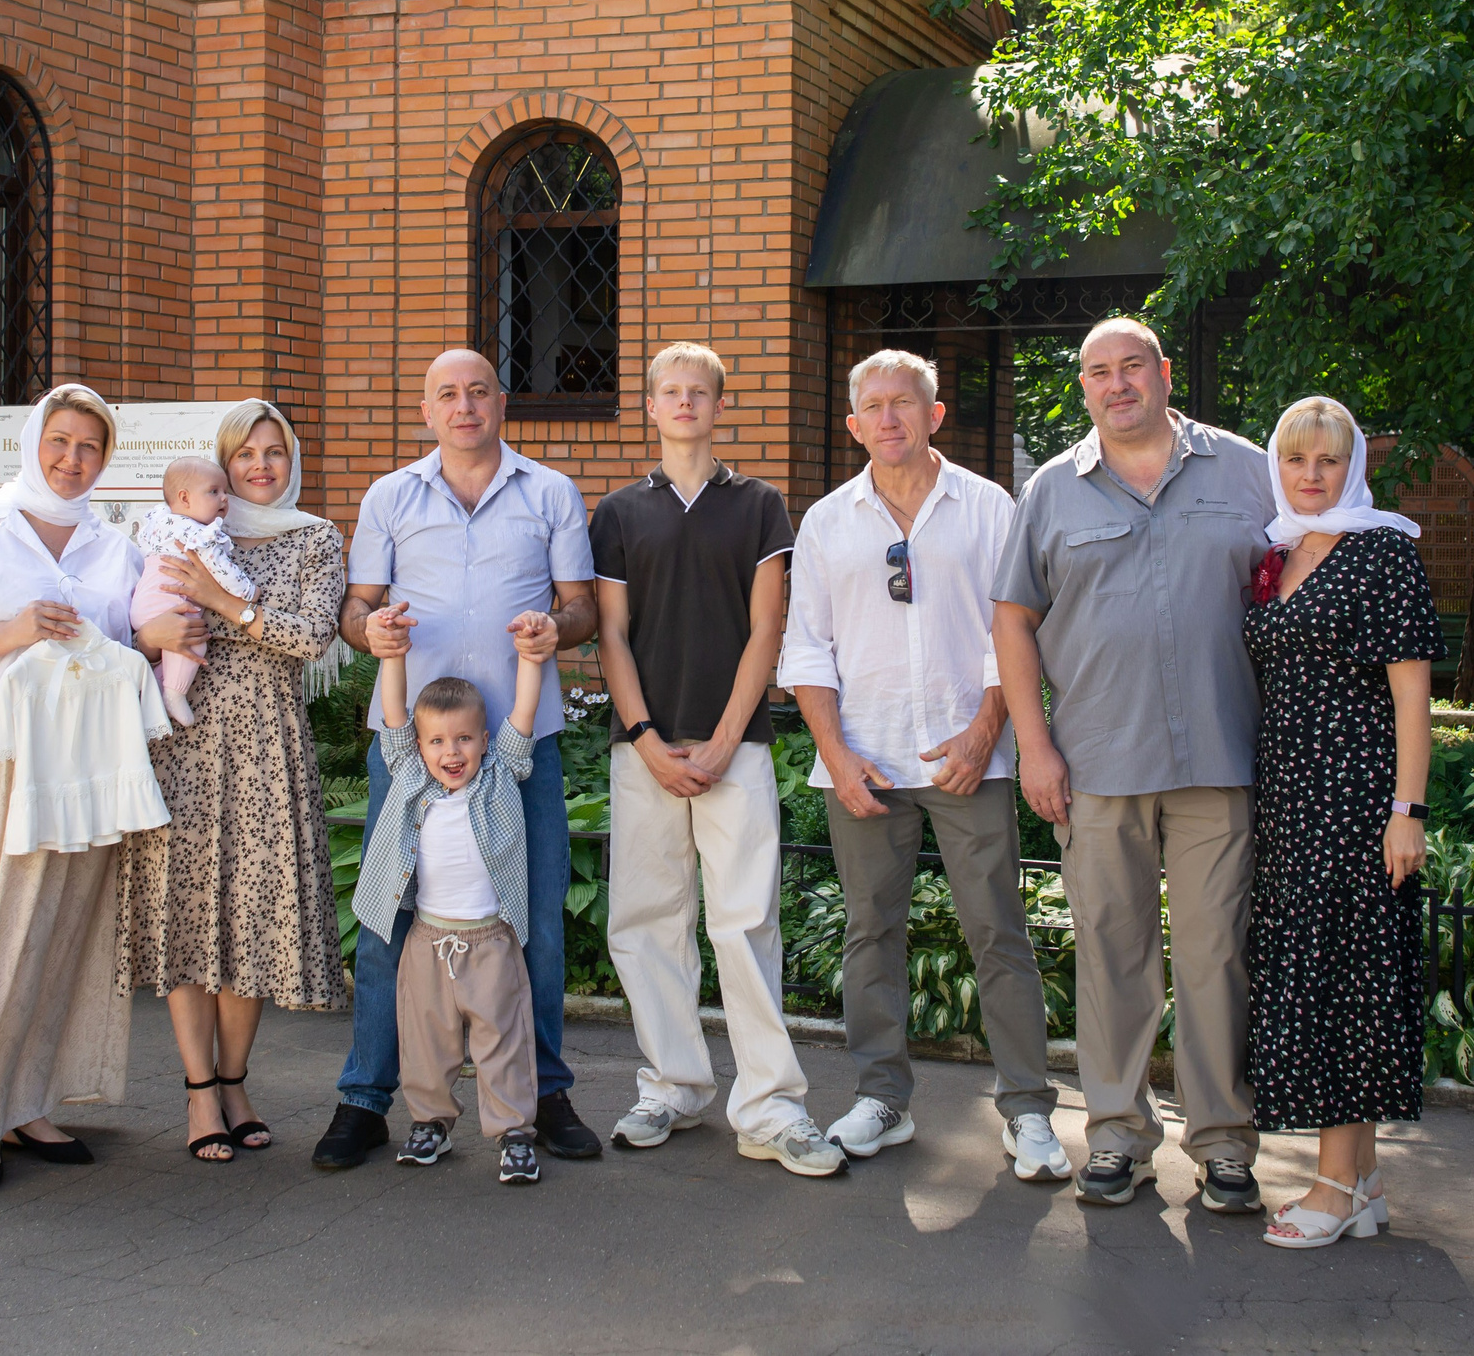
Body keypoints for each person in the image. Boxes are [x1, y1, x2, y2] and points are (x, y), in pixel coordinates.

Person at [991, 317, 1275, 1212]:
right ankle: (1116, 1134)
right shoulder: (1050, 492)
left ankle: (1225, 1142)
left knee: (1214, 954)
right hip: (1098, 763)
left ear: (1161, 375)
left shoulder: (1247, 471)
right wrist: (1033, 745)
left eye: (1132, 367)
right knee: (1112, 954)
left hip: (1220, 756)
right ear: (1084, 387)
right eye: (1097, 372)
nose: (1117, 385)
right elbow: (1012, 619)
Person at [311, 349, 604, 1169]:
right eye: (448, 393)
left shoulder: (549, 492)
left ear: (501, 403)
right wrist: (366, 630)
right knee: (386, 917)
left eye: (478, 391)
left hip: (518, 745)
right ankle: (366, 1098)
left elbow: (578, 603)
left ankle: (542, 1092)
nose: (464, 404)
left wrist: (560, 629)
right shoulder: (389, 496)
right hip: (410, 747)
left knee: (534, 923)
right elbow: (357, 604)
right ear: (427, 407)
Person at [782, 349, 1069, 1182]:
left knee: (998, 933)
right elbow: (808, 649)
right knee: (871, 933)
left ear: (934, 413)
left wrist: (986, 733)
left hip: (968, 757)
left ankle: (1026, 1110)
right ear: (852, 424)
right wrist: (835, 756)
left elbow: (1014, 631)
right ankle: (882, 1097)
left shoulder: (988, 508)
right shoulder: (828, 522)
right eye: (871, 405)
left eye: (903, 402)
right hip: (865, 759)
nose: (888, 417)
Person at [0, 383, 191, 1194]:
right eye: (59, 441)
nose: (71, 459)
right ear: (34, 442)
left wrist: (149, 633)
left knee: (60, 936)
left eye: (88, 447)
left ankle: (27, 1102)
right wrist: (12, 631)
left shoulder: (112, 544)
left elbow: (123, 634)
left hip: (87, 759)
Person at [592, 342, 843, 1178]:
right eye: (672, 391)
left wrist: (729, 737)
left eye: (701, 391)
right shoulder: (621, 512)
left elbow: (767, 629)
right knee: (646, 921)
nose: (686, 402)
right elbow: (612, 635)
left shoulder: (760, 504)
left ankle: (769, 1105)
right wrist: (645, 739)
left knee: (744, 923)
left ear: (719, 406)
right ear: (653, 408)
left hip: (738, 747)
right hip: (648, 753)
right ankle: (672, 1084)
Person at [116, 400, 350, 1163]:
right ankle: (198, 1093)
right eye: (243, 453)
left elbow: (311, 637)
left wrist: (223, 602)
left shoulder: (315, 538)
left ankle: (236, 1080)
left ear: (290, 461)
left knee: (253, 914)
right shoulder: (168, 532)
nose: (258, 466)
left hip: (266, 747)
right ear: (219, 464)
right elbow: (122, 620)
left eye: (273, 451)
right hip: (180, 741)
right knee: (189, 913)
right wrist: (151, 630)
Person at [1244, 397, 1440, 1249]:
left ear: (1352, 465)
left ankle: (1329, 1185)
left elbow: (1414, 699)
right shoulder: (1280, 552)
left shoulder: (1384, 551)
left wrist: (1407, 811)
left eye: (1327, 460)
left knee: (1348, 986)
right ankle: (1360, 1182)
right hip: (1290, 802)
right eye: (1296, 460)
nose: (1311, 475)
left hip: (1357, 802)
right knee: (1322, 978)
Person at [352, 612, 560, 1185]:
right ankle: (430, 1123)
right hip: (427, 938)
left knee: (503, 1039)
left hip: (490, 938)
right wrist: (392, 652)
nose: (452, 752)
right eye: (438, 741)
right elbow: (394, 714)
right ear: (418, 747)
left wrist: (531, 656)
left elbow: (523, 714)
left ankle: (514, 1132)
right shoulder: (408, 775)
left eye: (464, 739)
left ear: (484, 741)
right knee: (426, 1039)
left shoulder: (501, 773)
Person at [131, 454, 257, 728]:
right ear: (185, 498)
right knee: (193, 637)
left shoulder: (162, 521)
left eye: (225, 491)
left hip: (144, 600)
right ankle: (174, 693)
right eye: (214, 492)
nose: (224, 498)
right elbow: (222, 570)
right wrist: (247, 591)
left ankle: (158, 690)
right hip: (168, 602)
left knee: (172, 647)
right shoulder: (198, 535)